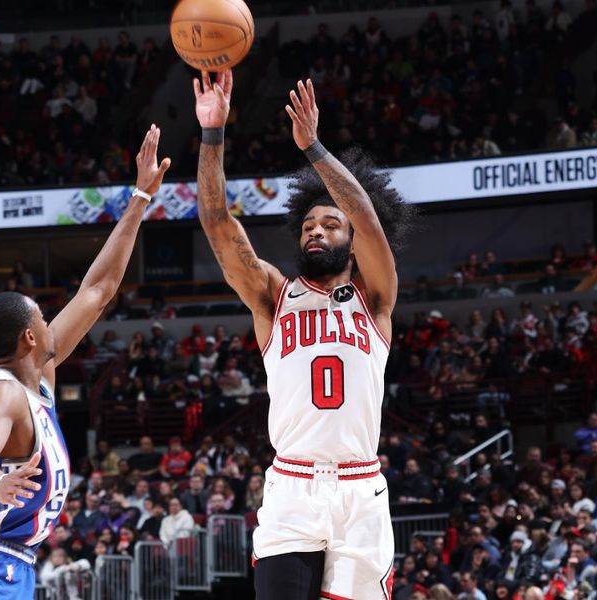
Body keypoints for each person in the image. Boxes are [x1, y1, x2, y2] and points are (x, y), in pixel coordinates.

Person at [0, 124, 170, 598]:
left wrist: (140, 198)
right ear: (30, 336)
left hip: (9, 565)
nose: (49, 315)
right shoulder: (1, 393)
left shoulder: (39, 376)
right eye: (40, 312)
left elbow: (97, 291)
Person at [193, 71, 413, 600]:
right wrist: (212, 133)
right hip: (292, 486)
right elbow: (218, 222)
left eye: (330, 224)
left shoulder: (376, 297)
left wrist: (312, 147)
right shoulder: (273, 295)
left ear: (352, 239)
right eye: (308, 223)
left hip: (360, 490)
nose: (316, 229)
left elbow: (365, 216)